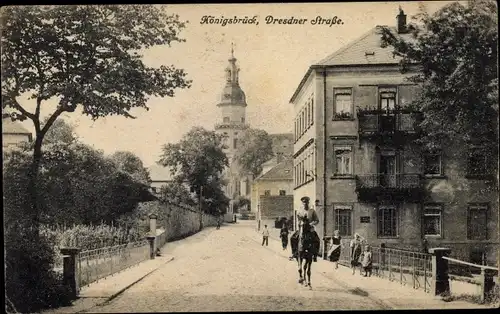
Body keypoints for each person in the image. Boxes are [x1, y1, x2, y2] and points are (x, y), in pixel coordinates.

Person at [296, 196, 320, 261]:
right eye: (304, 202)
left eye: (306, 202)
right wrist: (301, 223)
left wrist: (311, 223)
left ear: (308, 202)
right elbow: (298, 219)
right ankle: (294, 253)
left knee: (317, 240)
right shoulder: (299, 211)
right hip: (301, 228)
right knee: (293, 238)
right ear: (302, 203)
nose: (305, 203)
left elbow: (317, 220)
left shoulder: (312, 211)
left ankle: (315, 255)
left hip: (310, 229)